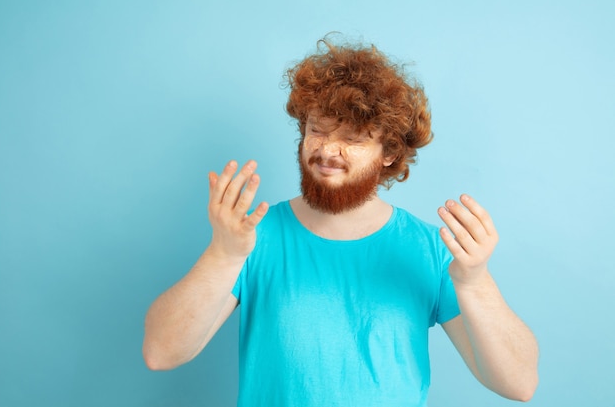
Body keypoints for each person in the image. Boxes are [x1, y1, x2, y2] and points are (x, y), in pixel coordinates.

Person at [142, 37, 539, 406]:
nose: (328, 150)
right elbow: (160, 352)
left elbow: (518, 383)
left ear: (388, 153)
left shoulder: (432, 250)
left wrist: (475, 281)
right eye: (317, 130)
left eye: (352, 138)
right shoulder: (251, 238)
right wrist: (223, 256)